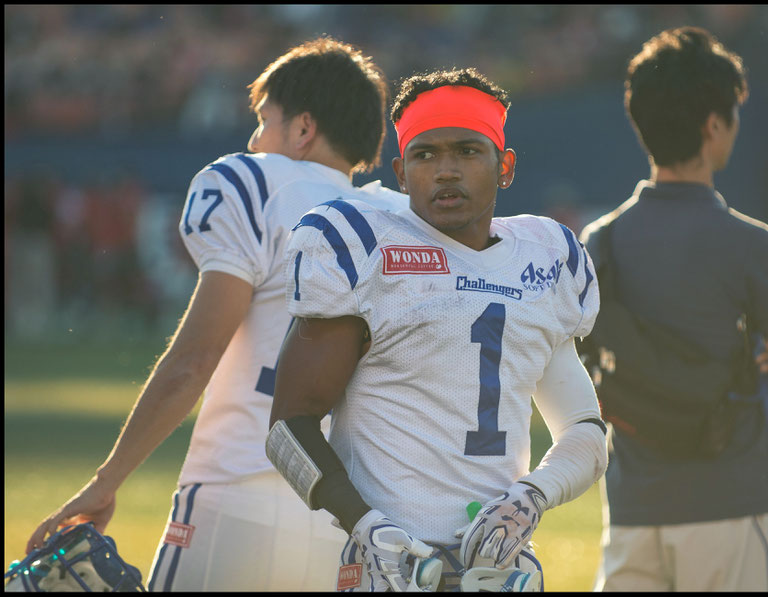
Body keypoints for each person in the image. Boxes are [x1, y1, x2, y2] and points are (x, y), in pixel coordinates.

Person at [25, 37, 409, 591]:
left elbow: (195, 358)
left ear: (302, 129)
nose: (254, 138)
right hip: (347, 520)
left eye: (263, 120)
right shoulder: (396, 220)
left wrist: (106, 481)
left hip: (237, 494)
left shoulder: (256, 185)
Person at [266, 68, 608, 592]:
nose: (446, 171)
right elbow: (289, 429)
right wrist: (365, 524)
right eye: (426, 155)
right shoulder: (363, 245)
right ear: (401, 173)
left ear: (505, 166)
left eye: (468, 151)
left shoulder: (544, 258)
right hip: (393, 569)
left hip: (502, 568)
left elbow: (585, 430)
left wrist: (533, 495)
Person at [582, 27, 768, 592]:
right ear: (714, 126)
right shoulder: (752, 243)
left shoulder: (601, 242)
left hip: (633, 509)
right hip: (730, 504)